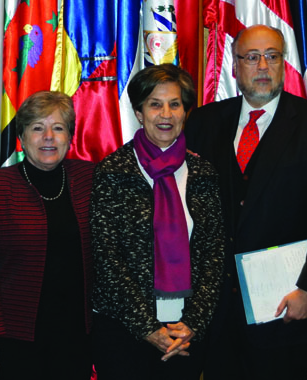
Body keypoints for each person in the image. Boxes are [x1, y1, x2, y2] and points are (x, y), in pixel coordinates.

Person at [184, 24, 307, 380]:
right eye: (253, 57)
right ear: (235, 65)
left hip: (283, 307)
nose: (263, 66)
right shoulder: (203, 121)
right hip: (214, 311)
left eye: (272, 57)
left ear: (283, 64)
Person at [90, 63, 225, 380]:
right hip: (124, 331)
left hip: (186, 330)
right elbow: (106, 258)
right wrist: (148, 327)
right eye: (155, 104)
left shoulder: (204, 173)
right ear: (139, 112)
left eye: (175, 104)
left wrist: (194, 322)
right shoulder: (113, 172)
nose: (166, 114)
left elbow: (214, 254)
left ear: (185, 112)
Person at [0, 91, 95, 379]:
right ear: (22, 137)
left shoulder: (89, 177)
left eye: (58, 128)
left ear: (70, 137)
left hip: (77, 334)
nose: (48, 136)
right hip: (17, 336)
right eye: (37, 128)